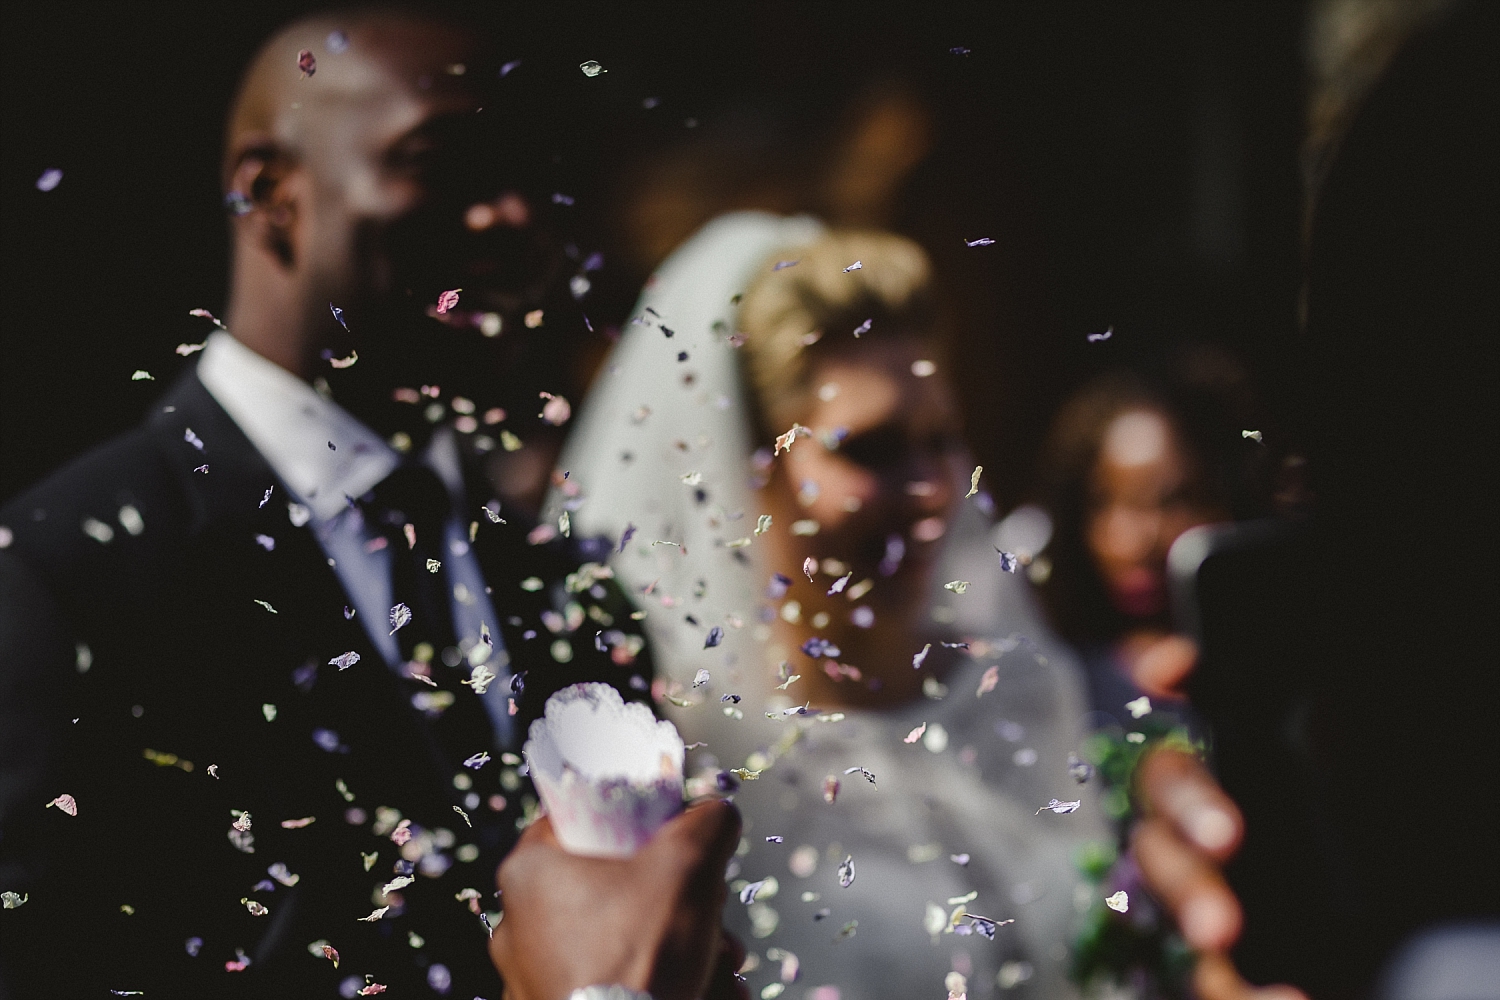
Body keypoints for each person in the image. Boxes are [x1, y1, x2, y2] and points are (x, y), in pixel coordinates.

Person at [0, 11, 739, 999]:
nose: (516, 216)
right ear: (271, 193)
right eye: (446, 163)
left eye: (530, 175)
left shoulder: (570, 590)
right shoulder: (63, 576)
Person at [556, 217, 1106, 998]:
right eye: (870, 449)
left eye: (940, 439)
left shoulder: (1020, 689)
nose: (929, 492)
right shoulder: (689, 761)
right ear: (751, 470)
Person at [1029, 349, 1275, 714]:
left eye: (1173, 501)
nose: (1133, 541)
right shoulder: (1055, 680)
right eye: (1103, 502)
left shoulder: (1275, 660)